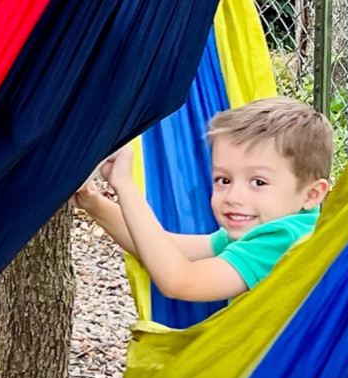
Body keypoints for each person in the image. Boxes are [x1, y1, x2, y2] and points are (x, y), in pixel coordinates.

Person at [77, 96, 332, 305]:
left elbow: (181, 282)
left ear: (312, 195)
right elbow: (167, 247)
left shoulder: (286, 239)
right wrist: (93, 203)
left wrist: (125, 185)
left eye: (258, 182)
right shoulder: (276, 225)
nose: (233, 197)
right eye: (224, 180)